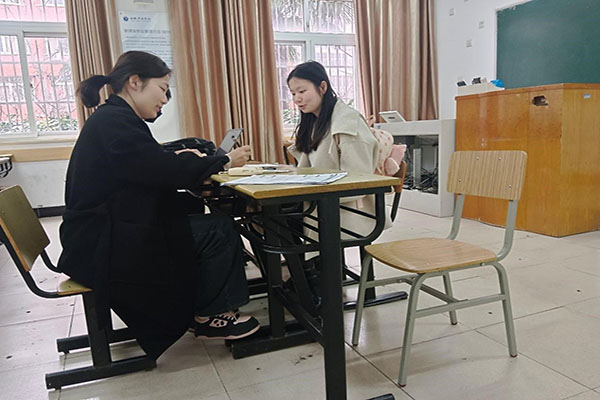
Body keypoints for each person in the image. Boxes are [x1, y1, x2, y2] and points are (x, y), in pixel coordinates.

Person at [57, 50, 259, 361]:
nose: (165, 100)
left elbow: (145, 164)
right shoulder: (115, 121)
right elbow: (158, 170)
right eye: (163, 89)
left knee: (190, 211)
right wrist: (224, 161)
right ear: (135, 82)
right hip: (103, 242)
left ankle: (202, 305)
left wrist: (175, 159)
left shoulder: (114, 117)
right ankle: (211, 315)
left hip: (100, 231)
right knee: (218, 230)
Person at [286, 60, 391, 238]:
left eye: (302, 91)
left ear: (323, 87)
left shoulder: (347, 121)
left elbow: (357, 179)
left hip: (348, 209)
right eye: (293, 93)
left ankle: (303, 257)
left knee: (275, 217)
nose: (297, 99)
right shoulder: (315, 123)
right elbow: (308, 168)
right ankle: (298, 257)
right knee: (265, 214)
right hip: (322, 200)